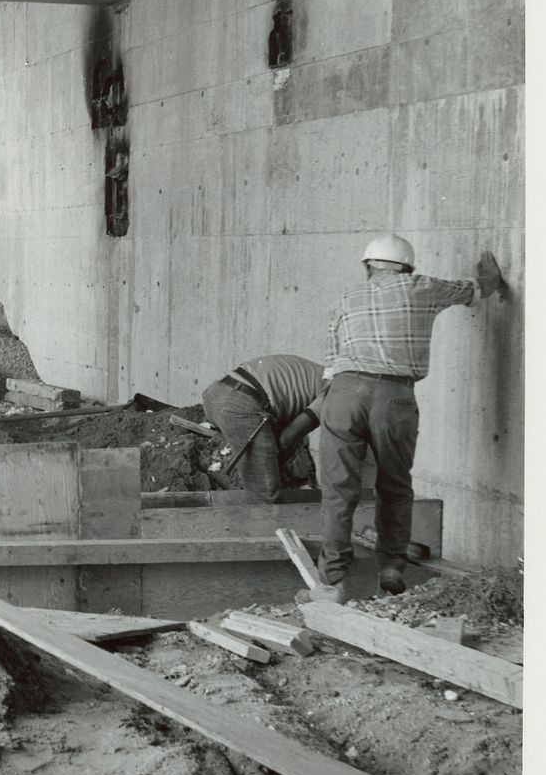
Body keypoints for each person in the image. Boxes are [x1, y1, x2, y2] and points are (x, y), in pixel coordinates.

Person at [314, 235, 504, 602]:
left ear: (368, 266)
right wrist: (488, 277)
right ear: (407, 267)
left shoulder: (346, 298)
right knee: (395, 485)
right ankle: (389, 569)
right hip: (394, 396)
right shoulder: (423, 288)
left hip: (342, 391)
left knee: (338, 490)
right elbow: (481, 290)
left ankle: (332, 584)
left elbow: (329, 366)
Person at [201, 355, 325, 502]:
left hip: (217, 393)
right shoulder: (339, 395)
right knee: (264, 496)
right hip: (241, 402)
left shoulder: (324, 376)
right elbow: (288, 438)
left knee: (263, 479)